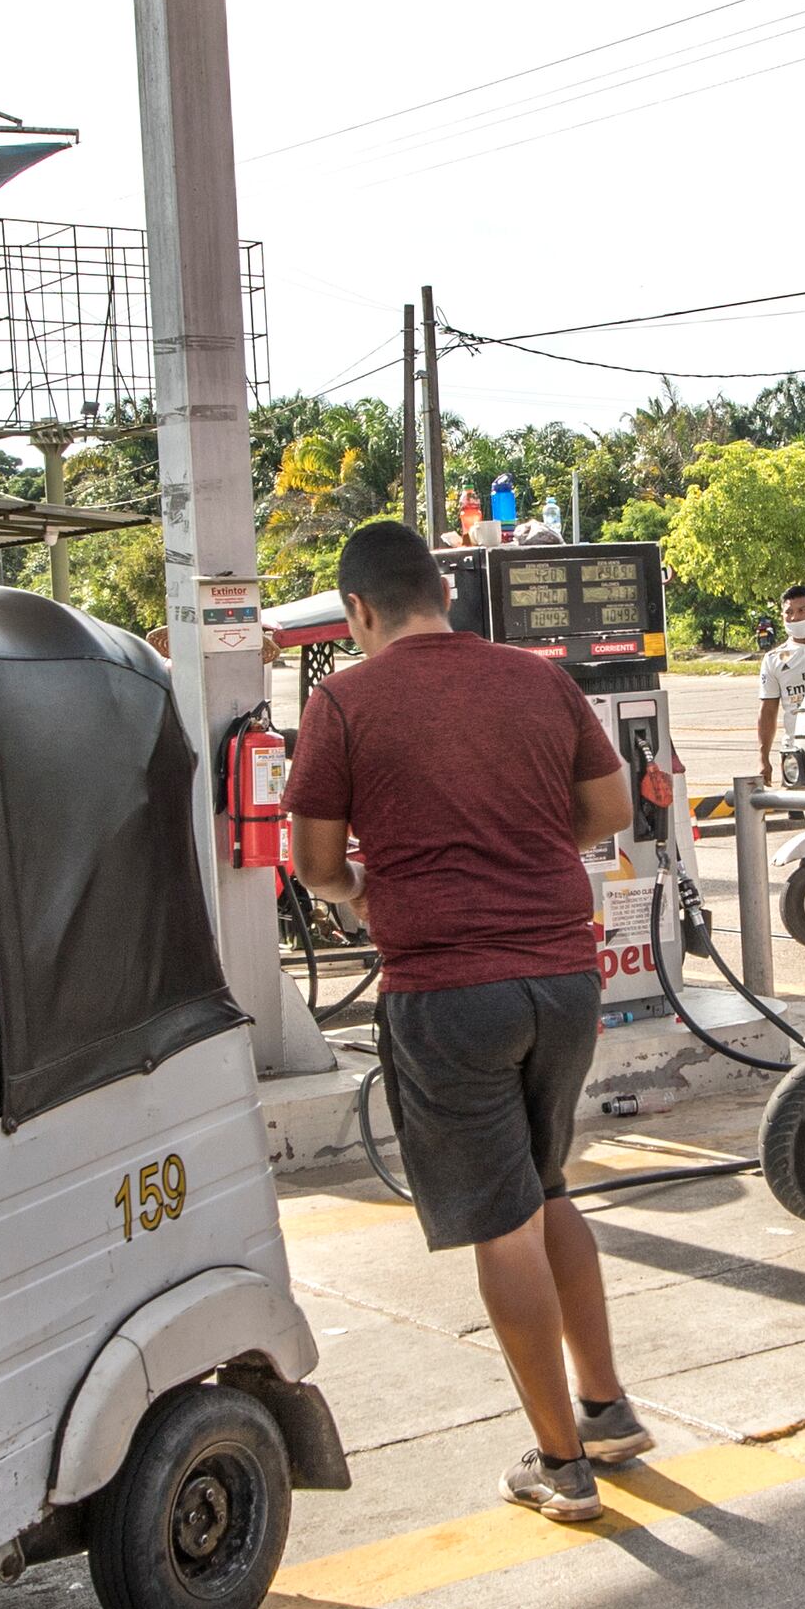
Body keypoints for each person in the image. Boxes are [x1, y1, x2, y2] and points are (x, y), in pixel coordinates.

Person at [284, 519, 650, 1526]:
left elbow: (313, 862)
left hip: (447, 992)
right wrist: (526, 851)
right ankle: (608, 1410)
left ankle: (558, 1461)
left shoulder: (343, 698)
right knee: (544, 1188)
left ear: (357, 609)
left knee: (501, 1221)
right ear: (443, 592)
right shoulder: (538, 679)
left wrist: (362, 891)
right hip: (564, 982)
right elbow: (610, 804)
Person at [751, 583, 805, 774]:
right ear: (782, 616)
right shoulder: (773, 659)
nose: (795, 618)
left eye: (802, 610)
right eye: (789, 612)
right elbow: (768, 711)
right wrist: (763, 757)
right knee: (797, 802)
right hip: (795, 749)